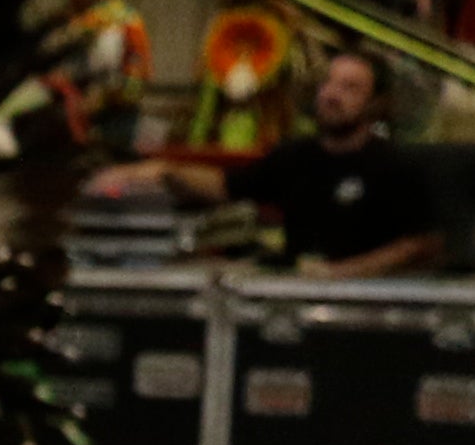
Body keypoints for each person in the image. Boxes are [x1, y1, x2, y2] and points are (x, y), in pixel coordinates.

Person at [167, 37, 441, 274]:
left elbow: (422, 244)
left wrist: (341, 274)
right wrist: (164, 172)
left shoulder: (395, 166)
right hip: (296, 297)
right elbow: (228, 185)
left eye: (350, 88)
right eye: (328, 84)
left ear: (376, 103)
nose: (332, 95)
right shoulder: (294, 156)